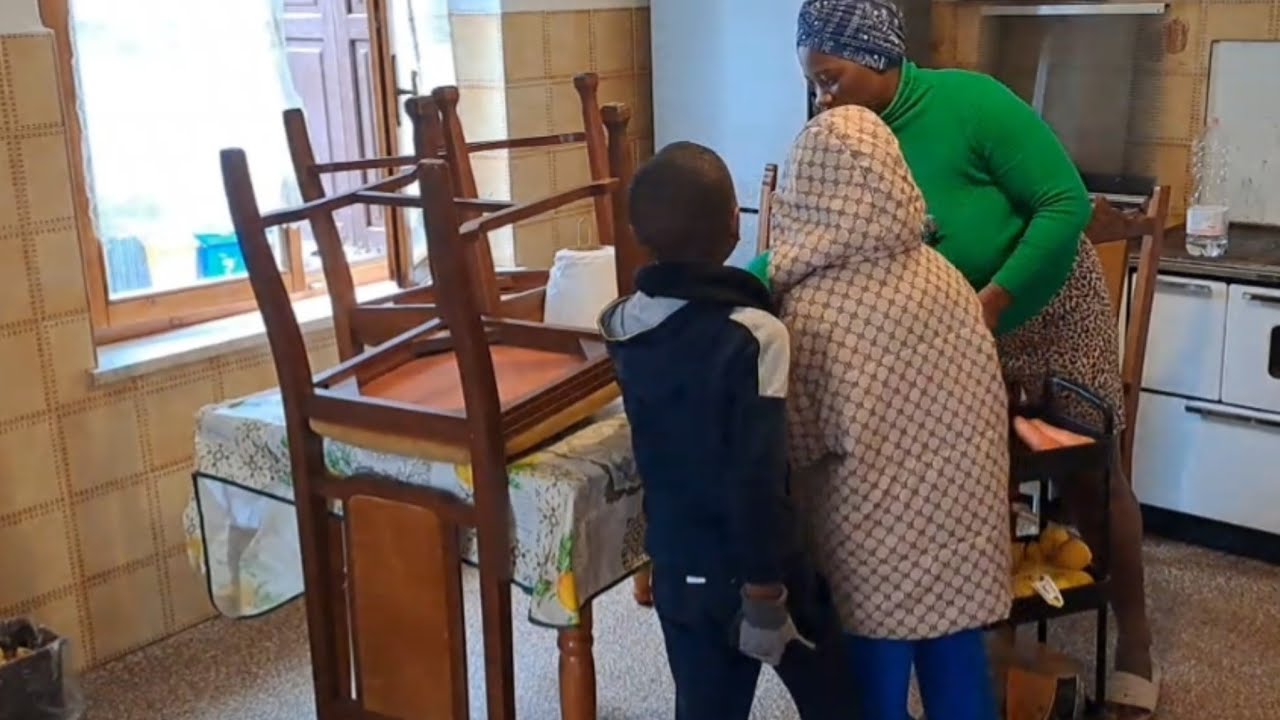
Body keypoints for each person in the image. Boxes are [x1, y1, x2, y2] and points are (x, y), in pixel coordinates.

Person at [755, 0, 1159, 717]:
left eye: (831, 78)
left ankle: (1134, 644)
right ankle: (963, 625)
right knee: (946, 478)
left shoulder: (971, 103)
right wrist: (737, 284)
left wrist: (995, 304)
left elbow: (1064, 205)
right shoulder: (851, 138)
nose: (821, 98)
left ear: (879, 57)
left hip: (1042, 305)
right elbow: (817, 238)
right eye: (813, 84)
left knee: (1093, 479)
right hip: (944, 325)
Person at [758, 103, 1011, 720]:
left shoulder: (813, 312)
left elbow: (800, 442)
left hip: (871, 546)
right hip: (962, 523)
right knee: (960, 679)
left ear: (806, 194)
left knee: (872, 691)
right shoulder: (944, 276)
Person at [598, 142, 851, 720]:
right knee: (838, 700)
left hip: (676, 564)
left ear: (641, 235)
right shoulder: (755, 334)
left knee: (705, 708)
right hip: (759, 571)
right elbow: (755, 474)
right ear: (736, 225)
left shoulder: (622, 323)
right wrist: (765, 589)